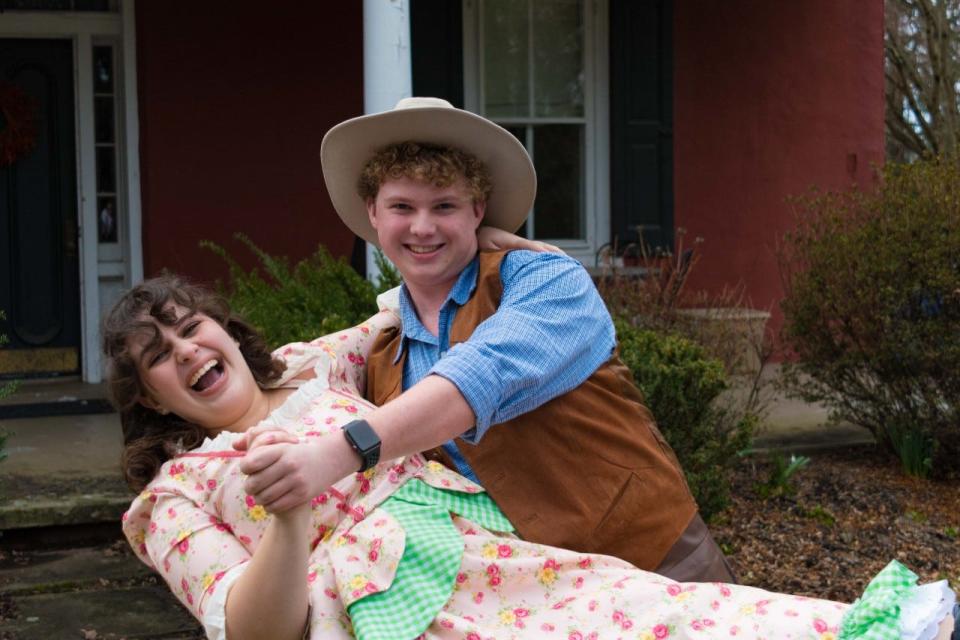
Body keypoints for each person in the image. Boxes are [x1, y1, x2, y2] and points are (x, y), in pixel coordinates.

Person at [110, 276, 956, 640]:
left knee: (665, 617)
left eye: (192, 325)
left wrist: (483, 228)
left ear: (222, 327)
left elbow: (414, 288)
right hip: (382, 612)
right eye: (159, 353)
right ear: (149, 394)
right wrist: (287, 522)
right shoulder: (173, 498)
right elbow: (253, 630)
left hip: (493, 549)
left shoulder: (312, 367)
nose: (186, 350)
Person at [252, 95, 723, 581]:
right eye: (401, 206)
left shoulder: (545, 280)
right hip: (531, 600)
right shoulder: (384, 359)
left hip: (656, 560)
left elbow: (480, 375)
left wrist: (333, 454)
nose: (422, 226)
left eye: (444, 206)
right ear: (373, 212)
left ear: (478, 209)